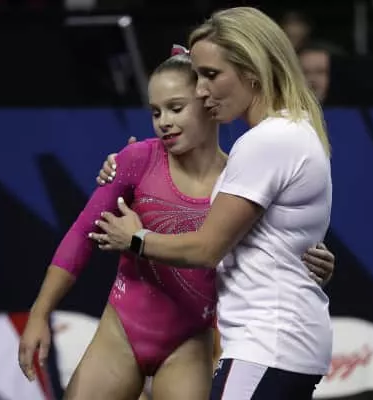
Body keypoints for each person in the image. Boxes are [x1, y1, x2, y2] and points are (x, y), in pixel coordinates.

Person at [20, 43, 334, 400]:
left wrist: (312, 257)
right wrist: (39, 314)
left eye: (176, 108)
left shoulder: (240, 178)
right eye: (155, 112)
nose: (164, 121)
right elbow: (80, 236)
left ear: (207, 103)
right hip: (120, 334)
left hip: (189, 344)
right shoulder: (137, 160)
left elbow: (270, 242)